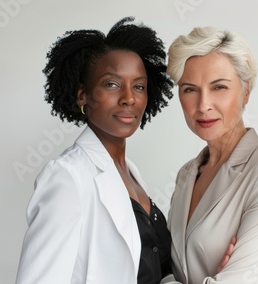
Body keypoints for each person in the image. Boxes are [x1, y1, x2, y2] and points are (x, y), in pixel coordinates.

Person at [15, 17, 174, 284]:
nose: (129, 98)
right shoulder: (68, 177)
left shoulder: (132, 174)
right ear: (82, 96)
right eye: (111, 84)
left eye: (139, 86)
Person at [161, 27, 258, 284]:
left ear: (246, 91)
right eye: (190, 89)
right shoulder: (186, 174)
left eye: (219, 87)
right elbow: (167, 270)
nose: (203, 105)